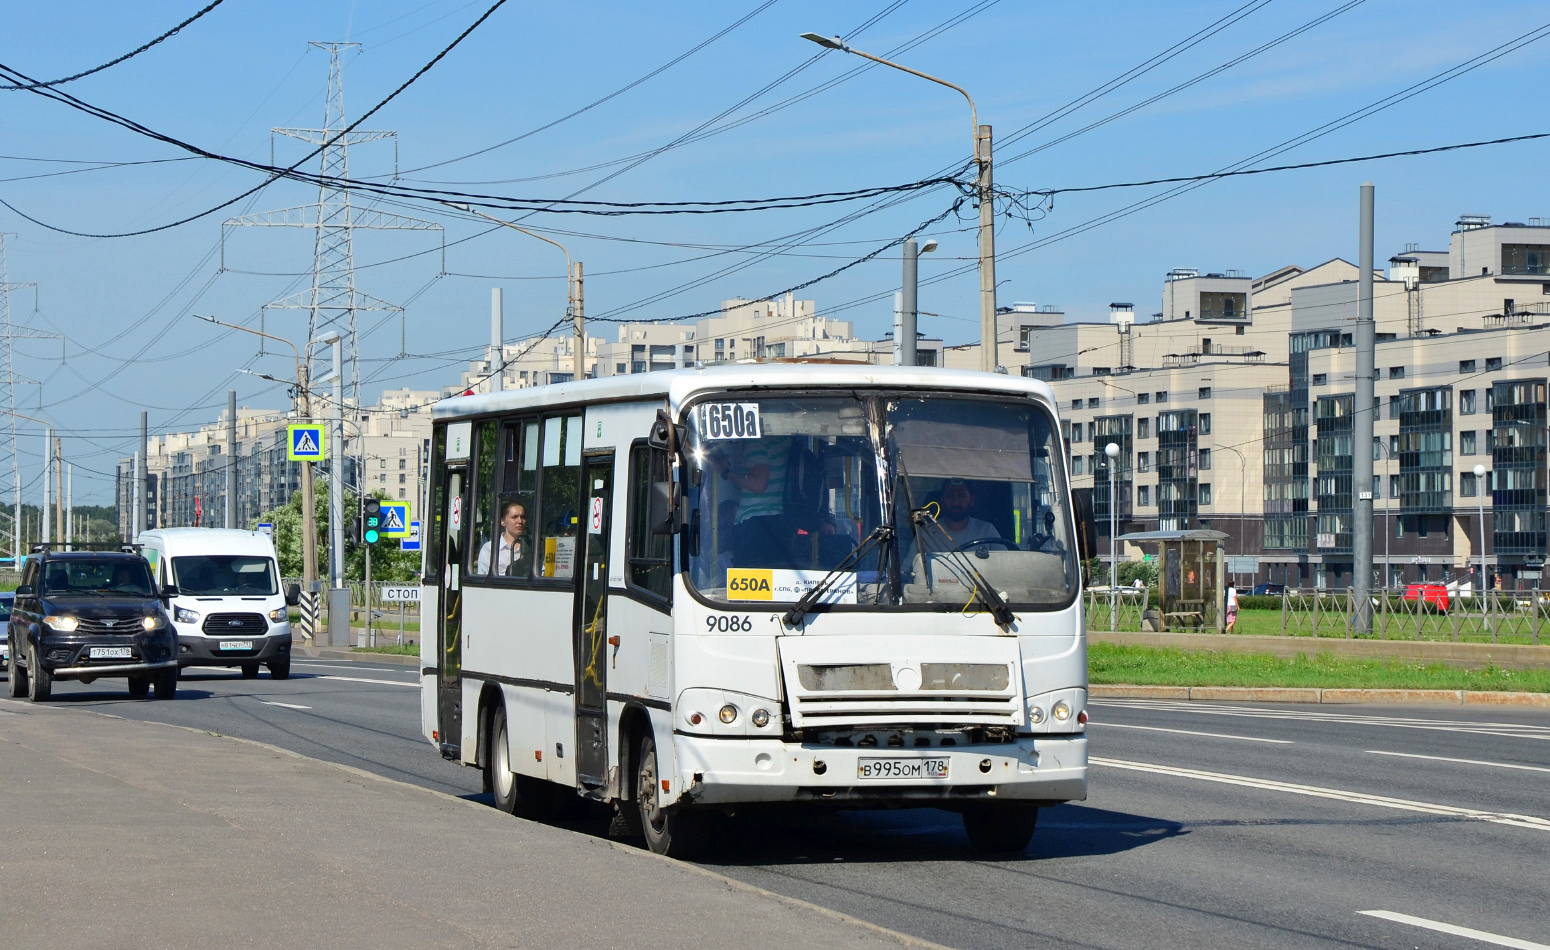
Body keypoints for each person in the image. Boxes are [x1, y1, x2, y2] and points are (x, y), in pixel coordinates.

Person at [712, 438, 796, 569]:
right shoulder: (785, 441)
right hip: (781, 522)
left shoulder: (757, 442)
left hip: (757, 526)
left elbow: (758, 484)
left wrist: (725, 472)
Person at [922, 479, 1001, 550]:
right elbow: (911, 565)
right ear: (942, 500)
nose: (956, 502)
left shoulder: (987, 531)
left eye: (962, 496)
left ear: (972, 500)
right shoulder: (927, 533)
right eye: (950, 496)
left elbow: (1005, 562)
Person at [476, 500, 530, 577]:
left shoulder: (531, 548)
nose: (520, 521)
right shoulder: (489, 549)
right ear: (503, 522)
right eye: (514, 517)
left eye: (523, 517)